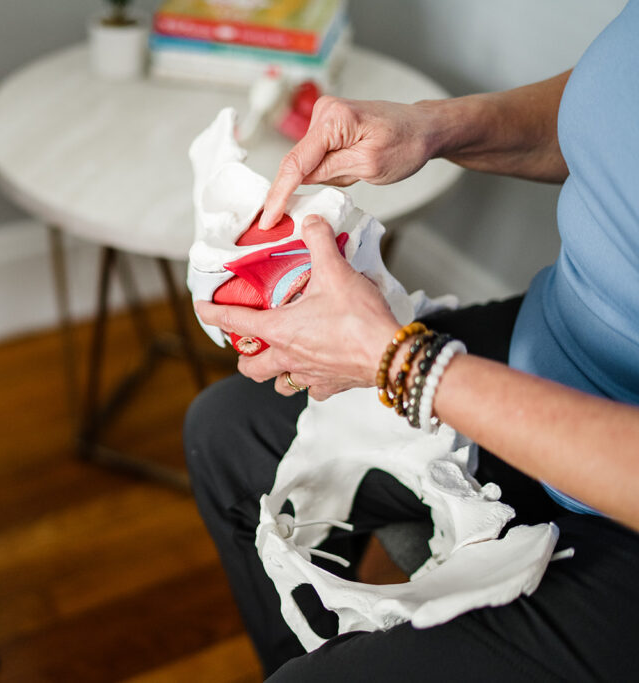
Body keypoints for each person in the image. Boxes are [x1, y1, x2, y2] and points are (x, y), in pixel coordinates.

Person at [186, 2, 639, 680]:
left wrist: (403, 363)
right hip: (553, 345)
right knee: (227, 432)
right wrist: (433, 127)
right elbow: (611, 115)